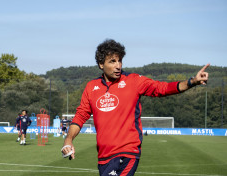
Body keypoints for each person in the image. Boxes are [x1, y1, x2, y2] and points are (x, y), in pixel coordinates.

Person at [61, 39, 209, 176]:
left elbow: (162, 88)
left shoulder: (134, 81)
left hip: (128, 152)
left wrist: (192, 81)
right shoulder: (91, 87)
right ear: (101, 64)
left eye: (120, 61)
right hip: (104, 157)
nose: (118, 65)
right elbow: (80, 116)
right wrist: (68, 139)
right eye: (112, 61)